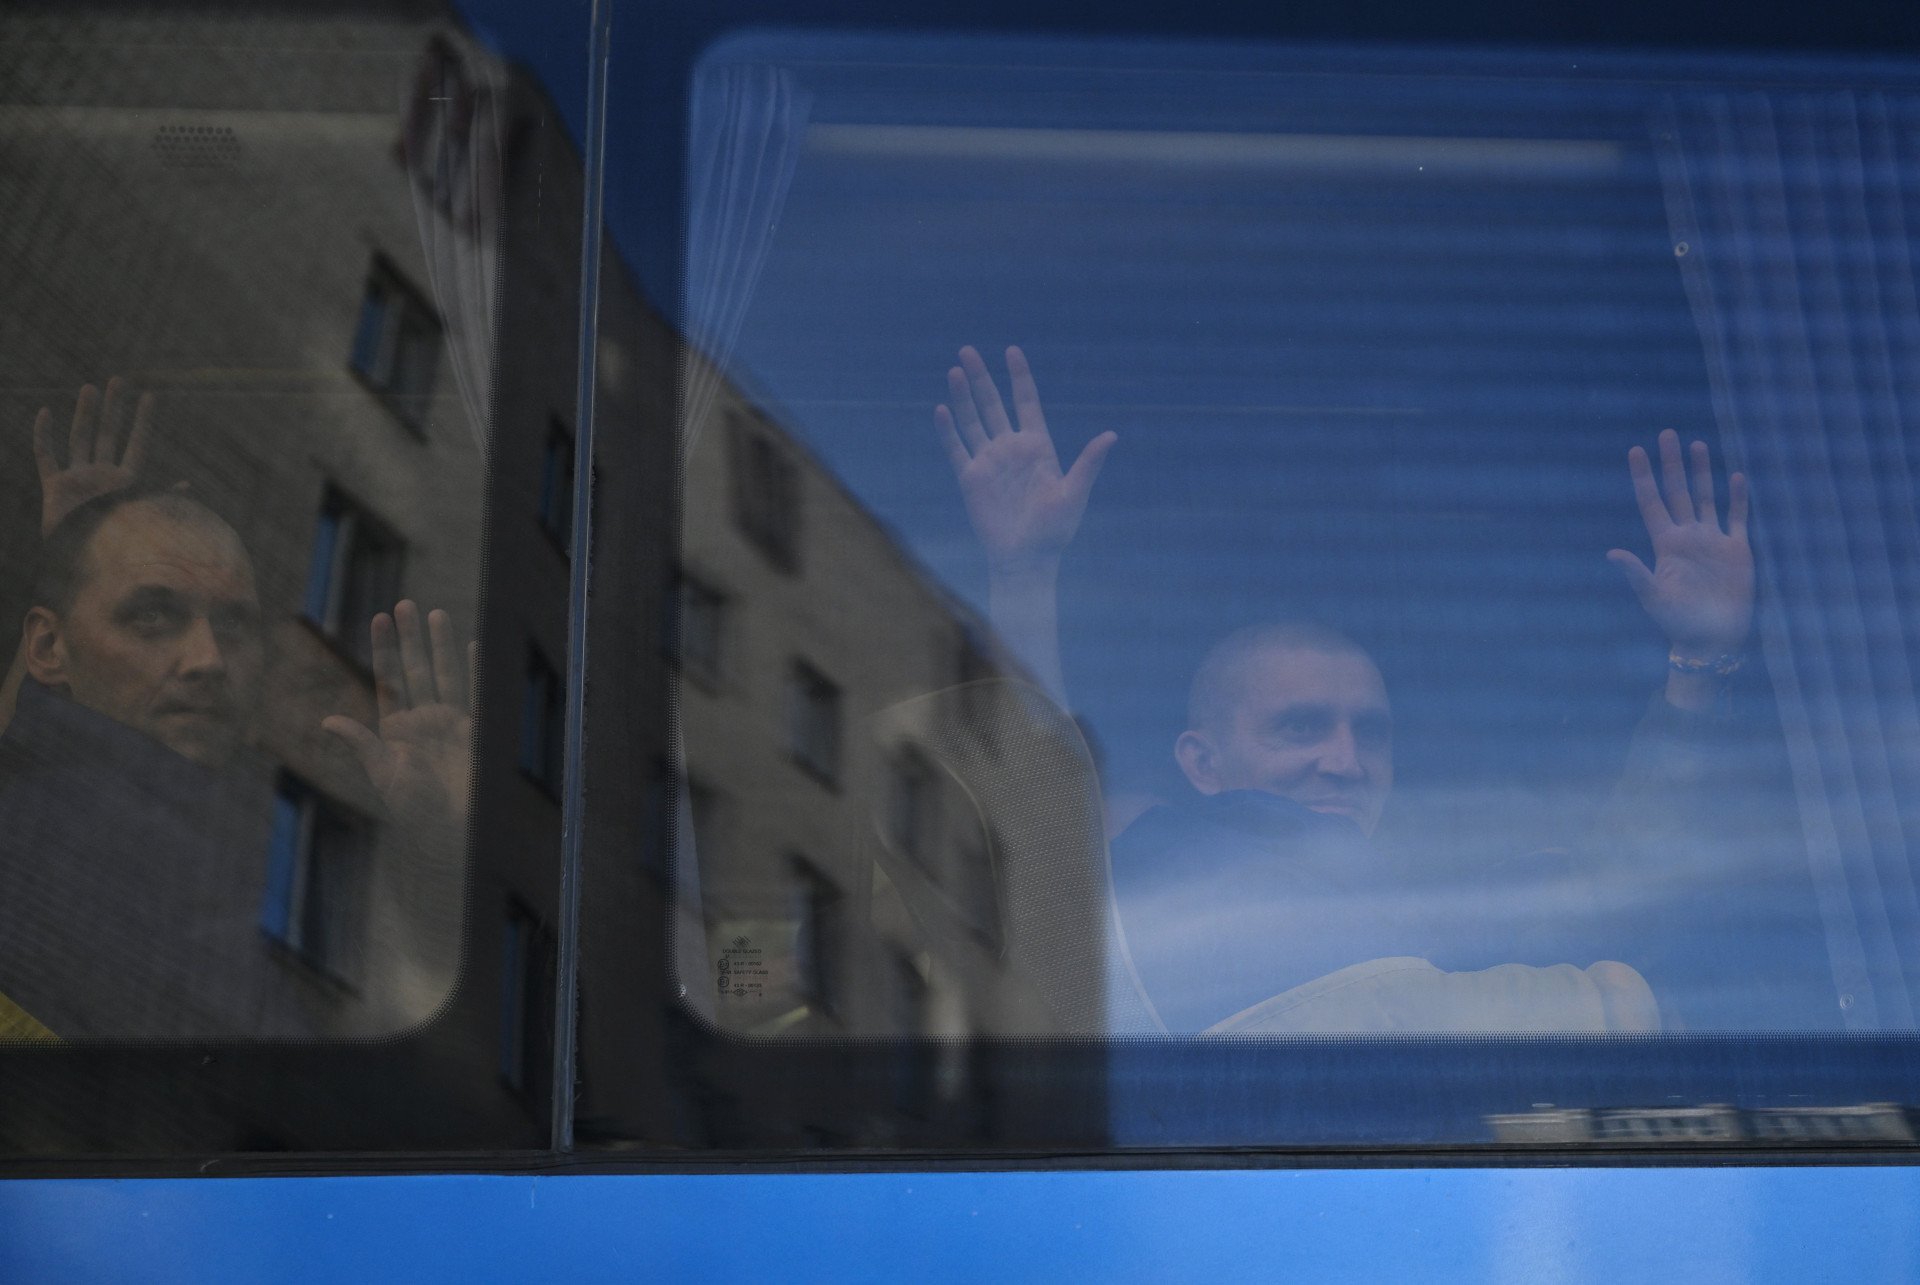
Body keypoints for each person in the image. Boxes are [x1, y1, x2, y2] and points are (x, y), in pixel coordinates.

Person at [934, 344, 1785, 1034]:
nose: (1344, 759)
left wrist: (1697, 667)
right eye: (1301, 726)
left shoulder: (1449, 894)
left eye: (1369, 732)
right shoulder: (1150, 880)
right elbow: (1030, 833)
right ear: (1202, 760)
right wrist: (1024, 574)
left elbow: (1626, 895)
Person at [0, 383, 471, 1040]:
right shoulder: (61, 836)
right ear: (48, 646)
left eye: (235, 626)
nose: (208, 658)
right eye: (154, 615)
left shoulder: (259, 836)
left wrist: (433, 844)